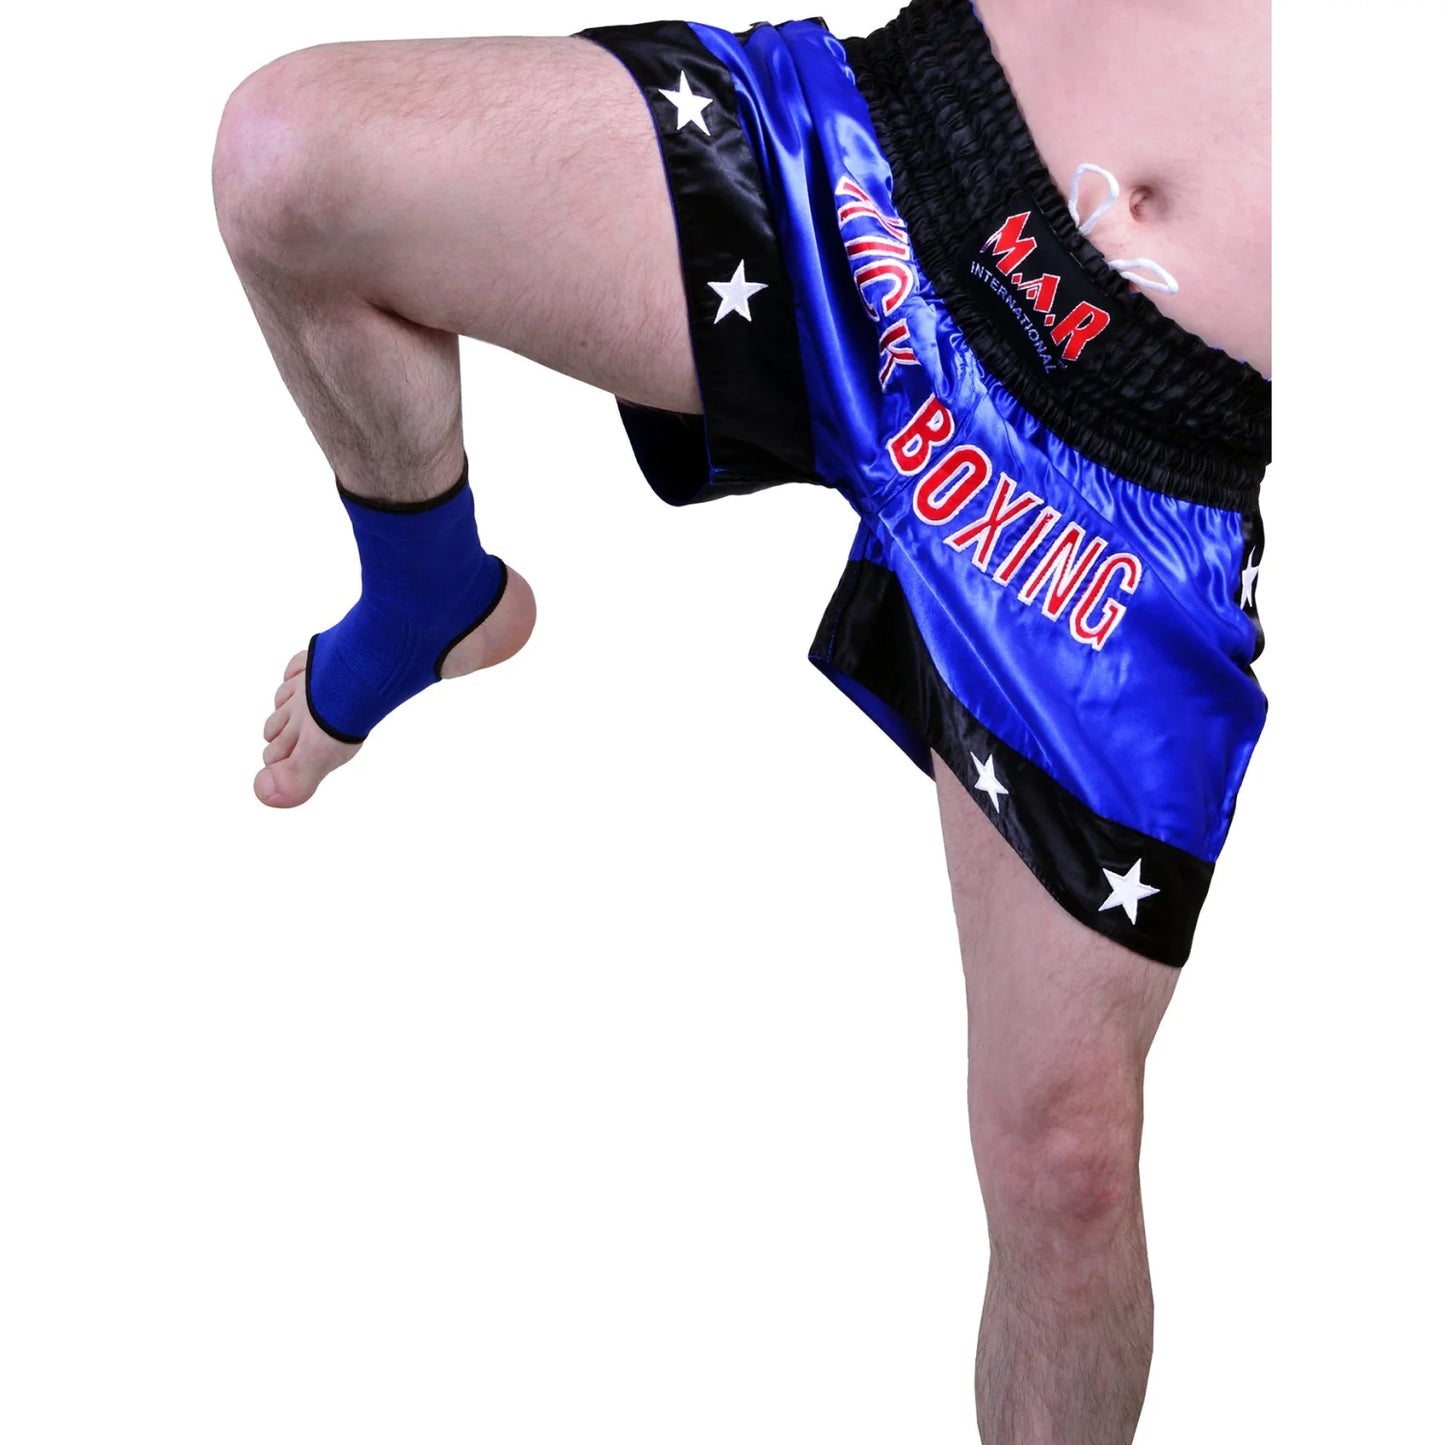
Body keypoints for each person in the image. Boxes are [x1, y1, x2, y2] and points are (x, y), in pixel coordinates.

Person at [210, 0, 1269, 1437]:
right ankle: (427, 594)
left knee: (1065, 1167)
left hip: (1133, 489)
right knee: (289, 158)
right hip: (891, 172)